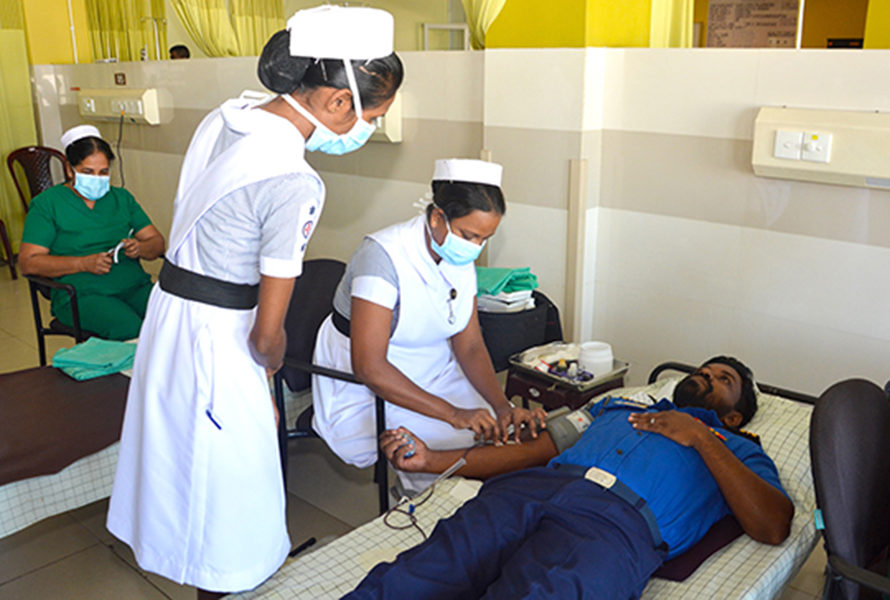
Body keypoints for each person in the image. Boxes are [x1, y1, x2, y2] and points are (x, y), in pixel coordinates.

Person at [106, 7, 403, 599]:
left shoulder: (229, 118)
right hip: (221, 337)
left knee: (187, 468)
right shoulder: (293, 181)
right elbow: (269, 334)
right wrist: (268, 377)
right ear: (338, 103)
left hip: (171, 312)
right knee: (228, 490)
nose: (370, 127)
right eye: (373, 114)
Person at [347, 357, 795, 600]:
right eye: (702, 370)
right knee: (422, 571)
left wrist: (700, 436)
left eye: (723, 379)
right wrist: (430, 461)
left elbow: (773, 525)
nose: (704, 376)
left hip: (615, 528)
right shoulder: (616, 408)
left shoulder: (737, 449)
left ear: (734, 414)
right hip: (530, 491)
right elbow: (530, 453)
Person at [312, 159, 545, 494]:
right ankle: (417, 514)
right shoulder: (382, 257)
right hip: (366, 376)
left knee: (492, 434)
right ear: (438, 217)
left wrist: (503, 407)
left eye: (485, 238)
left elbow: (470, 346)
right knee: (440, 448)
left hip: (431, 361)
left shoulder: (458, 256)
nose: (475, 247)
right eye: (469, 235)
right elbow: (369, 365)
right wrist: (452, 413)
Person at [19, 125, 165, 340]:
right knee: (130, 329)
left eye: (103, 172)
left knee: (174, 320)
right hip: (82, 294)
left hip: (134, 286)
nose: (97, 179)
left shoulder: (121, 198)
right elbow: (28, 262)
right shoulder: (47, 204)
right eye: (88, 172)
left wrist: (141, 248)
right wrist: (82, 263)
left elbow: (157, 243)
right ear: (70, 170)